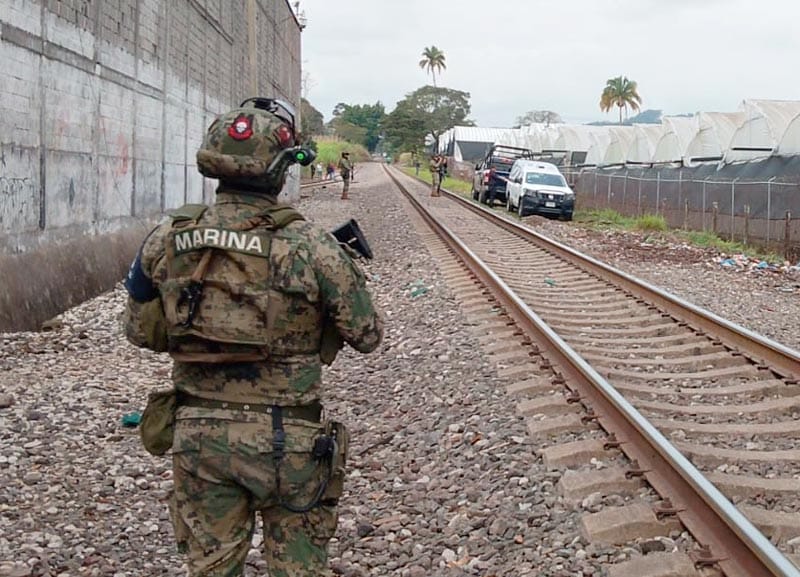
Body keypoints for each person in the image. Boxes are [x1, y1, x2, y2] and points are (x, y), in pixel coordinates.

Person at [122, 96, 384, 577]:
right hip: (292, 440)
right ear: (282, 171)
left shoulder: (167, 238)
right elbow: (367, 334)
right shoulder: (312, 246)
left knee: (212, 567)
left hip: (199, 436)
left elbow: (141, 331)